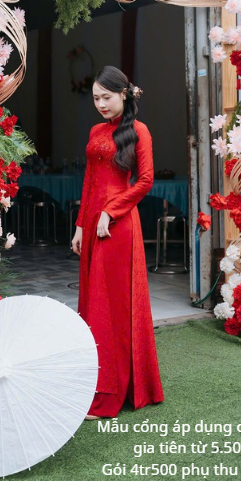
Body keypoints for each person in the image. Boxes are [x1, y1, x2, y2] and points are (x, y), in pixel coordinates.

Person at [72, 66, 164, 419]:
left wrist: (110, 212)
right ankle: (94, 382)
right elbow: (89, 180)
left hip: (118, 224)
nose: (101, 104)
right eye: (96, 98)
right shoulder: (95, 130)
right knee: (93, 302)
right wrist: (80, 225)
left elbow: (145, 181)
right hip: (93, 222)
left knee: (111, 305)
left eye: (107, 97)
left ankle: (111, 393)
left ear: (124, 94)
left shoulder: (139, 131)